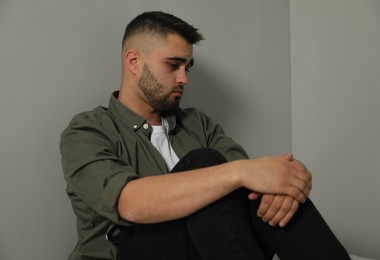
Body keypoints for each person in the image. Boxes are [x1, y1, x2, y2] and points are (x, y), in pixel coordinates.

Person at [60, 11, 350, 260]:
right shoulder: (87, 130)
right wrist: (238, 172)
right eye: (173, 65)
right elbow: (130, 203)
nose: (184, 78)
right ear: (134, 62)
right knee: (204, 164)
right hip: (130, 251)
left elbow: (252, 187)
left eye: (187, 68)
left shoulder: (197, 122)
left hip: (207, 248)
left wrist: (288, 181)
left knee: (264, 187)